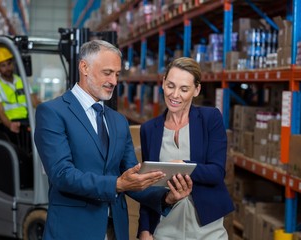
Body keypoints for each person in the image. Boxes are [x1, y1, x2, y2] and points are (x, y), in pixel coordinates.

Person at [34, 40, 193, 240]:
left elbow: (132, 178)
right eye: (107, 72)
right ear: (84, 67)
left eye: (117, 74)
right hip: (73, 229)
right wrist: (117, 184)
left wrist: (166, 197)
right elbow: (62, 174)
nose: (114, 81)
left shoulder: (118, 121)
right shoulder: (53, 112)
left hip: (115, 230)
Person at [138, 57, 234, 240]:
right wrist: (144, 230)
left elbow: (216, 172)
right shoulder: (149, 129)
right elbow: (146, 186)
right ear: (163, 82)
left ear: (196, 90)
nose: (175, 95)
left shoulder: (210, 119)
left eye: (184, 89)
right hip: (165, 229)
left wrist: (182, 166)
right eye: (171, 85)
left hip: (207, 231)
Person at [0, 47, 39, 148]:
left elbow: (35, 102)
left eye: (9, 64)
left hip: (26, 123)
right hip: (9, 126)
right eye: (3, 66)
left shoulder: (22, 81)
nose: (7, 68)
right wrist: (10, 125)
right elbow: (0, 112)